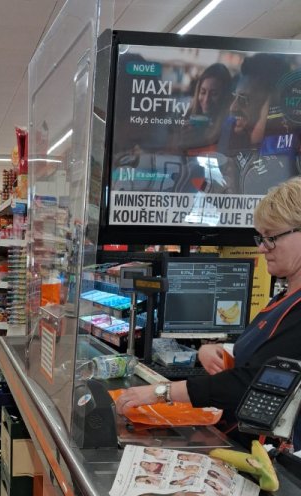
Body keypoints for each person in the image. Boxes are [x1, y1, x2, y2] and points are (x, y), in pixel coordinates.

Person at [116, 176, 301, 450]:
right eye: (261, 238)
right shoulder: (285, 297)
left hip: (276, 457)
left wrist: (163, 392)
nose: (262, 247)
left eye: (271, 238)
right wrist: (218, 351)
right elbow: (266, 356)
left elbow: (252, 382)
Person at [180, 63, 233, 153]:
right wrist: (181, 140)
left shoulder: (230, 126)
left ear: (225, 96)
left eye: (214, 94)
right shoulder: (187, 115)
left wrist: (205, 140)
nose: (206, 100)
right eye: (203, 92)